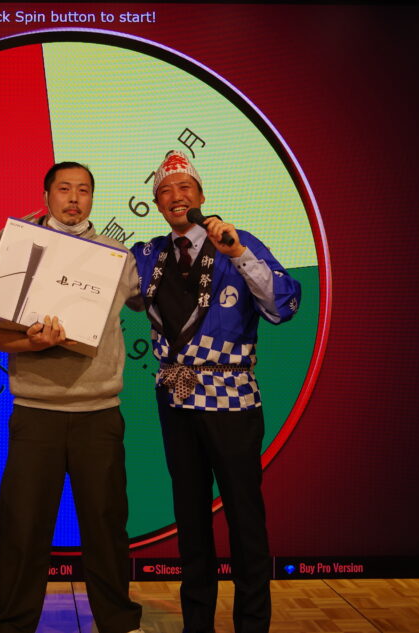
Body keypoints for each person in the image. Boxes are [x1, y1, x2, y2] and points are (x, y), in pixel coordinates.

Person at [129, 151, 302, 633]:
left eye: (185, 188)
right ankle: (197, 624)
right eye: (165, 191)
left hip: (232, 397)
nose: (176, 196)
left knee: (244, 516)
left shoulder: (236, 242)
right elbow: (94, 280)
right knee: (190, 518)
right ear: (157, 205)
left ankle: (252, 624)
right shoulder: (148, 254)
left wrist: (239, 254)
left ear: (201, 196)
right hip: (176, 397)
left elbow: (282, 307)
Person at [0, 162, 145, 633]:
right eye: (64, 189)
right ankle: (12, 625)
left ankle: (119, 622)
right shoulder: (18, 246)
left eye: (84, 190)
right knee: (22, 528)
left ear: (92, 198)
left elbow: (151, 303)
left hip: (99, 412)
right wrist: (31, 343)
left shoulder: (118, 256)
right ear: (46, 195)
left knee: (106, 525)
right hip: (36, 412)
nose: (74, 199)